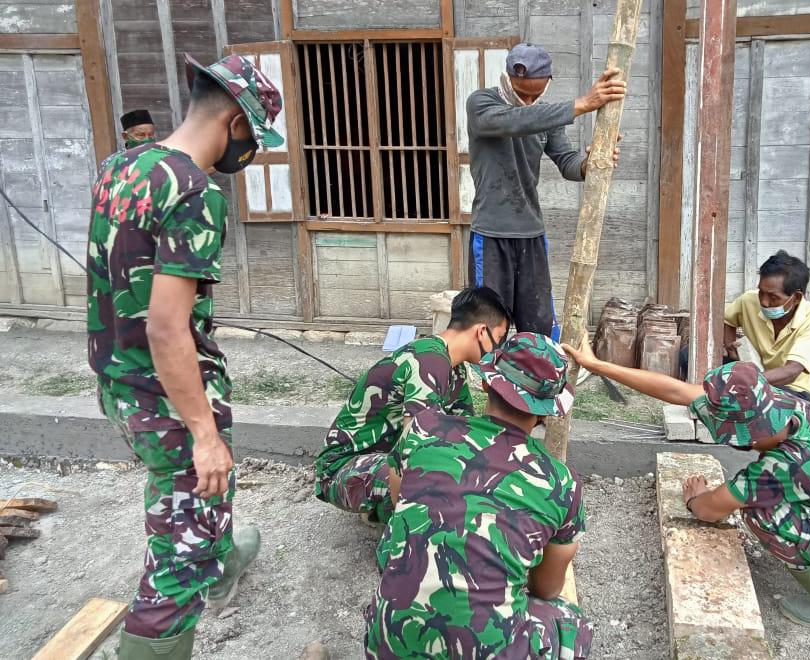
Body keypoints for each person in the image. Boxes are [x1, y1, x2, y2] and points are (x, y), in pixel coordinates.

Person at [87, 53, 284, 658]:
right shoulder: (196, 192)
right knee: (179, 554)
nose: (249, 153)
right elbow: (168, 330)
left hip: (116, 381)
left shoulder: (120, 166)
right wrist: (201, 429)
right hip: (166, 393)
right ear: (234, 123)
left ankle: (219, 555)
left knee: (201, 492)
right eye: (253, 136)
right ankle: (194, 574)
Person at [564, 339, 810, 636]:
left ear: (748, 435)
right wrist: (597, 365)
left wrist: (694, 499)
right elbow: (678, 391)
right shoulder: (786, 405)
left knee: (764, 513)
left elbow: (711, 509)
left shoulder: (785, 466)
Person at [365, 333, 591, 658]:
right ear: (546, 413)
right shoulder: (562, 485)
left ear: (486, 383)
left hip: (385, 644)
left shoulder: (422, 430)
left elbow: (401, 504)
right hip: (485, 650)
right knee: (572, 623)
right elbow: (545, 589)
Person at [466, 42, 624, 341]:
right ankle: (489, 377)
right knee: (487, 326)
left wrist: (593, 163)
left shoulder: (546, 117)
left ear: (547, 83)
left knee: (539, 324)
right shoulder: (482, 103)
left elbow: (567, 162)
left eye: (535, 94)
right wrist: (580, 105)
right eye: (522, 92)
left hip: (531, 235)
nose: (528, 100)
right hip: (490, 234)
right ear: (510, 77)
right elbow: (511, 121)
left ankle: (537, 374)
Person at [314, 286, 511, 525]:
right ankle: (401, 539)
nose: (498, 350)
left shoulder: (454, 370)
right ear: (481, 332)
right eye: (499, 339)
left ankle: (384, 510)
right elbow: (416, 448)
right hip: (341, 470)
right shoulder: (429, 361)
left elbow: (471, 433)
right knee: (433, 474)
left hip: (381, 461)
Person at [682, 250, 810, 401]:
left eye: (773, 297)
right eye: (761, 292)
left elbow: (792, 371)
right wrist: (730, 346)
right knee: (688, 354)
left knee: (750, 398)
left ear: (796, 297)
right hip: (753, 373)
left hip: (791, 391)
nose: (764, 301)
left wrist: (743, 382)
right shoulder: (748, 301)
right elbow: (727, 320)